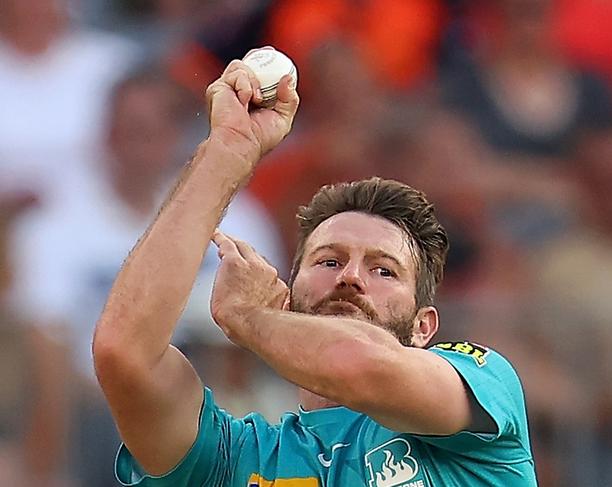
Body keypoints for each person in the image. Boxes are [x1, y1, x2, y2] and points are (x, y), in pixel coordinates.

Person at [93, 50, 537, 486]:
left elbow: (359, 365)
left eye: (384, 271)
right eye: (329, 261)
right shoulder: (233, 457)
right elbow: (124, 351)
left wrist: (249, 318)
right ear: (289, 293)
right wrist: (227, 150)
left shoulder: (481, 390)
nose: (350, 277)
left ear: (424, 327)